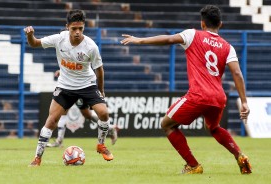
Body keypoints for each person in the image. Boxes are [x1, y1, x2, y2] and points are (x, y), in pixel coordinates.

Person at [121, 5, 251, 174]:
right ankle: (240, 156)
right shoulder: (228, 47)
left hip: (198, 95)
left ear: (202, 23)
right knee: (213, 127)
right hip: (218, 97)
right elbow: (237, 73)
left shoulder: (193, 34)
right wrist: (244, 102)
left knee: (167, 124)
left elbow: (168, 40)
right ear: (221, 24)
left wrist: (140, 40)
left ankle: (193, 165)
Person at [24, 9, 114, 166]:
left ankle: (101, 145)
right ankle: (37, 157)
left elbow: (99, 69)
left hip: (87, 85)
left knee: (104, 113)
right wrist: (29, 35)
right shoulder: (59, 39)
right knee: (51, 121)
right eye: (74, 29)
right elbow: (34, 43)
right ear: (67, 27)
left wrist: (101, 90)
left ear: (84, 27)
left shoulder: (91, 46)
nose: (78, 32)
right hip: (65, 86)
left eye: (81, 29)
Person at [47, 71, 118, 147]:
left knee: (87, 115)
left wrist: (61, 72)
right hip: (68, 89)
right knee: (63, 112)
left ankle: (110, 128)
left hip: (80, 89)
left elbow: (77, 68)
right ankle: (59, 141)